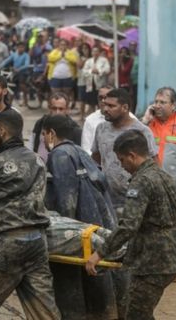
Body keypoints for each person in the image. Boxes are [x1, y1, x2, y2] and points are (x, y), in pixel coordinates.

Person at [0, 109, 61, 320]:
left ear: (1, 130)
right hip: (38, 242)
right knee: (44, 310)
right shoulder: (38, 160)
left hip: (7, 243)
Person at [86, 129, 176, 319]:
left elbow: (128, 226)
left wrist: (99, 254)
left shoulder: (141, 181)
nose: (122, 166)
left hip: (153, 262)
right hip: (171, 257)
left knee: (135, 314)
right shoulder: (164, 177)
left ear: (132, 155)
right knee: (141, 312)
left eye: (122, 160)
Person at [42, 114, 118, 319]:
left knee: (70, 285)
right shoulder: (80, 152)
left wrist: (64, 234)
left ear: (51, 134)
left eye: (43, 134)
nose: (42, 139)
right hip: (97, 228)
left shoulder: (59, 155)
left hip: (77, 233)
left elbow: (67, 200)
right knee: (97, 282)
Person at [91, 88, 156, 214]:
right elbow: (96, 158)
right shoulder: (101, 129)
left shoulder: (142, 131)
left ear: (125, 107)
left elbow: (153, 164)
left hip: (135, 199)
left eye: (111, 106)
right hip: (108, 200)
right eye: (105, 105)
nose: (105, 109)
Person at [28, 93, 81, 162]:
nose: (57, 112)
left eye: (61, 109)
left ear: (67, 110)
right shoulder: (40, 124)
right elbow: (31, 145)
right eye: (54, 108)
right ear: (49, 108)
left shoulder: (74, 130)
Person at [0, 41, 30, 106]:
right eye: (19, 47)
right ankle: (9, 104)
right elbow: (6, 61)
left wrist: (19, 69)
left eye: (22, 47)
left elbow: (27, 65)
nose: (21, 48)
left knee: (22, 86)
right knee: (11, 88)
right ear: (17, 48)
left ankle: (25, 99)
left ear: (24, 48)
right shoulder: (14, 54)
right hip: (14, 73)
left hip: (23, 73)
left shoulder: (26, 55)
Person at [82, 47, 110, 116]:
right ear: (91, 52)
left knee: (100, 102)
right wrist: (91, 71)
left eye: (97, 51)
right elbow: (84, 71)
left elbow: (107, 69)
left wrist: (99, 71)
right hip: (90, 85)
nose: (95, 53)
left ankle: (101, 116)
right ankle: (92, 116)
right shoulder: (88, 61)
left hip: (101, 85)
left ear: (99, 52)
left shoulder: (104, 60)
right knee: (91, 103)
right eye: (93, 51)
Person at [76, 43, 92, 120]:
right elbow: (79, 66)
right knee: (82, 99)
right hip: (82, 81)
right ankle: (81, 115)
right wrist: (85, 59)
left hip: (90, 81)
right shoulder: (80, 57)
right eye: (84, 48)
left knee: (91, 99)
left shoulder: (92, 58)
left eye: (87, 48)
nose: (85, 50)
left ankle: (89, 114)